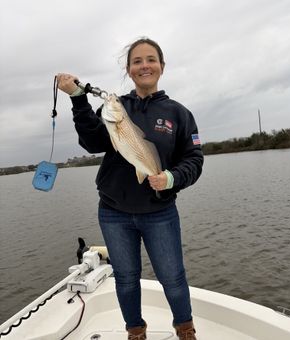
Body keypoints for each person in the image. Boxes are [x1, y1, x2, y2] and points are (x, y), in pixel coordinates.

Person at [57, 37, 204, 340]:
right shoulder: (116, 108)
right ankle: (135, 330)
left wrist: (171, 178)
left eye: (151, 59)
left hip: (159, 211)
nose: (144, 65)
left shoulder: (179, 114)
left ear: (161, 66)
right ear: (129, 69)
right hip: (114, 212)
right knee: (125, 279)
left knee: (173, 279)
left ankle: (185, 328)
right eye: (137, 61)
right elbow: (93, 142)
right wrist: (78, 99)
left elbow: (193, 159)